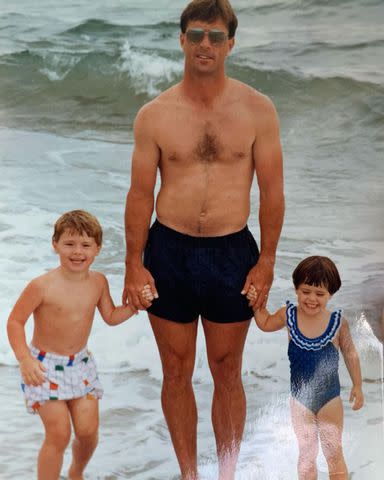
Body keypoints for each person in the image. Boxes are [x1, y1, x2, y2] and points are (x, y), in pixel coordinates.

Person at [123, 0, 284, 478]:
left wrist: (267, 261)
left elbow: (273, 194)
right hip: (168, 251)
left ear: (231, 43)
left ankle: (227, 473)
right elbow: (138, 196)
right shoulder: (154, 115)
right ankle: (190, 474)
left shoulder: (258, 110)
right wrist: (133, 263)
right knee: (175, 370)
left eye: (215, 37)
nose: (205, 45)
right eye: (196, 36)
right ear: (182, 41)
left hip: (232, 253)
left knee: (227, 370)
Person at [7, 210, 152, 480]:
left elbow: (110, 316)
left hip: (81, 365)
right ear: (55, 244)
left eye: (86, 245)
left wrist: (134, 306)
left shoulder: (98, 282)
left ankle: (76, 472)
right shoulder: (42, 286)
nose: (77, 252)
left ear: (97, 249)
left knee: (87, 432)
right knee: (59, 434)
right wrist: (25, 359)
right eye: (69, 244)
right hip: (43, 367)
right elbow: (15, 322)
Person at [247, 256, 364, 480]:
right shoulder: (288, 315)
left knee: (333, 452)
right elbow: (265, 323)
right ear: (296, 289)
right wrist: (257, 304)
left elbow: (350, 353)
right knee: (307, 453)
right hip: (300, 401)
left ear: (331, 293)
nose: (311, 299)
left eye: (320, 294)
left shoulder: (338, 322)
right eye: (305, 291)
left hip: (330, 399)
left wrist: (357, 385)